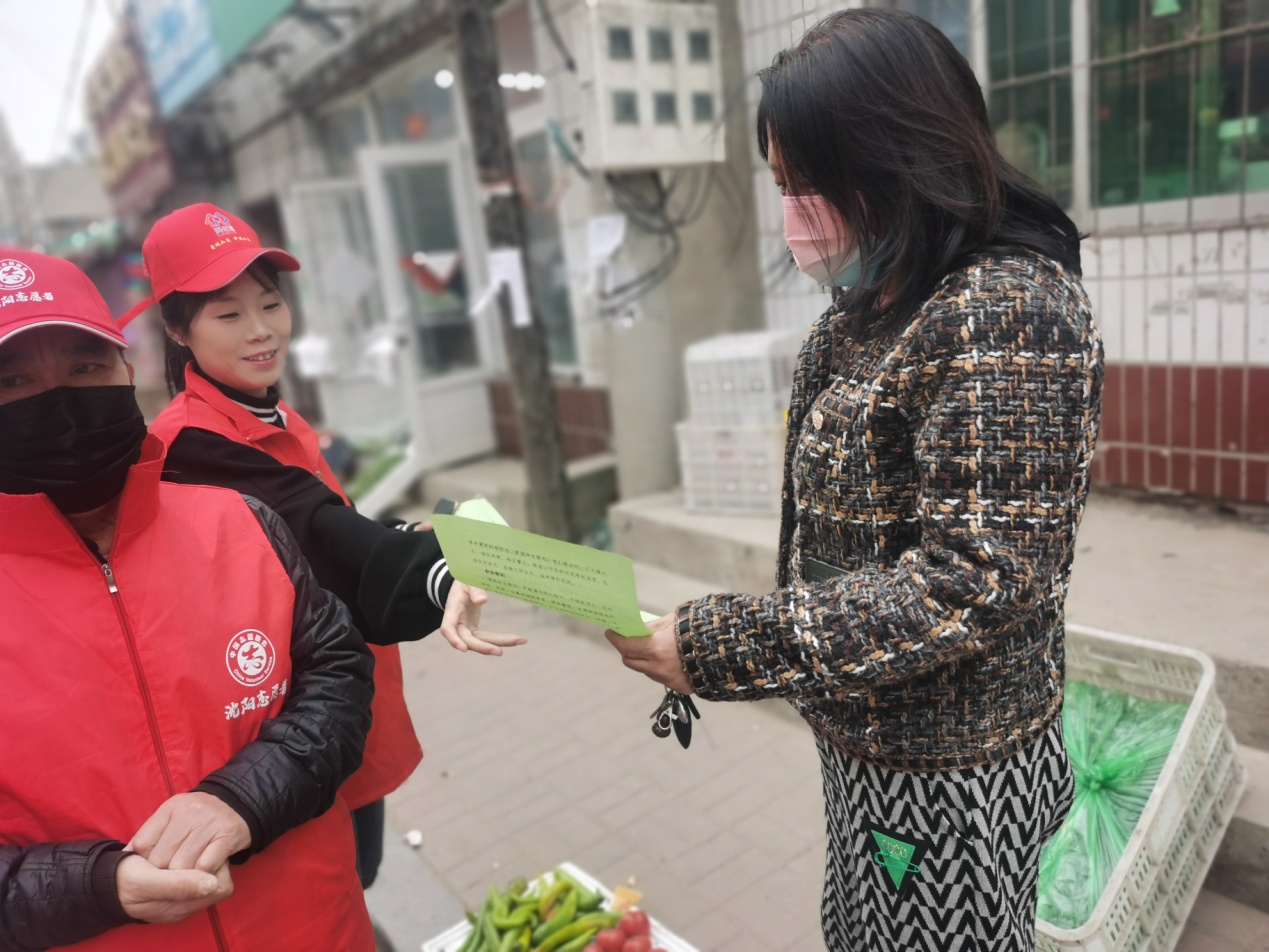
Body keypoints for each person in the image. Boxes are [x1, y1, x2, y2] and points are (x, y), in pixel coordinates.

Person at [606, 11, 1103, 951]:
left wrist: (721, 645)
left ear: (897, 161)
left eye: (811, 186)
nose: (793, 216)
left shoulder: (1006, 312)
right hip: (873, 740)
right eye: (783, 184)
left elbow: (969, 583)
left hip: (952, 773)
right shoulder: (877, 301)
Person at [119, 203, 523, 891]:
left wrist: (408, 537)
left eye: (270, 304)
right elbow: (321, 536)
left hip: (345, 700)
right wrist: (433, 572)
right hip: (297, 716)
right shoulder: (193, 445)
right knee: (334, 878)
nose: (261, 331)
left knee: (357, 867)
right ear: (176, 327)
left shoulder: (266, 409)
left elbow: (327, 520)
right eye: (228, 315)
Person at [0, 248, 376, 950]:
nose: (58, 405)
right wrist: (95, 884)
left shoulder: (238, 521)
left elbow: (340, 676)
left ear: (126, 373)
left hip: (319, 928)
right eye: (12, 381)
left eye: (84, 368)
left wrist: (243, 798)